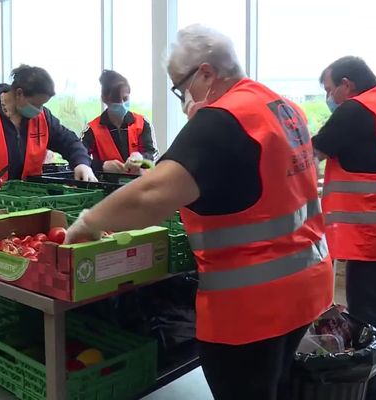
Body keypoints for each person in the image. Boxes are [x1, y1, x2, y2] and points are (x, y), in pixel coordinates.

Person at [65, 25, 333, 400]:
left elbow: (151, 194)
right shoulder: (281, 106)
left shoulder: (224, 119)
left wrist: (89, 221)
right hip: (306, 285)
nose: (183, 98)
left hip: (251, 306)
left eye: (180, 86)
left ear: (206, 73)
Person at [312, 56, 376, 400]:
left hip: (369, 234)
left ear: (347, 84)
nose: (330, 98)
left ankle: (371, 388)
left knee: (367, 314)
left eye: (330, 90)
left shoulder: (354, 110)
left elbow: (310, 151)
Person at [0, 65, 96, 189]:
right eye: (36, 104)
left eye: (43, 105)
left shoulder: (42, 117)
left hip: (29, 203)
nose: (40, 110)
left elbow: (69, 141)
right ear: (19, 93)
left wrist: (81, 163)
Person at [82, 70, 157, 174]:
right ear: (104, 99)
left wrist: (141, 159)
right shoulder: (92, 129)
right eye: (116, 100)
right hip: (107, 186)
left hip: (139, 183)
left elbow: (152, 154)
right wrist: (102, 165)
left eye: (125, 98)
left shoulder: (142, 123)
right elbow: (79, 159)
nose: (122, 103)